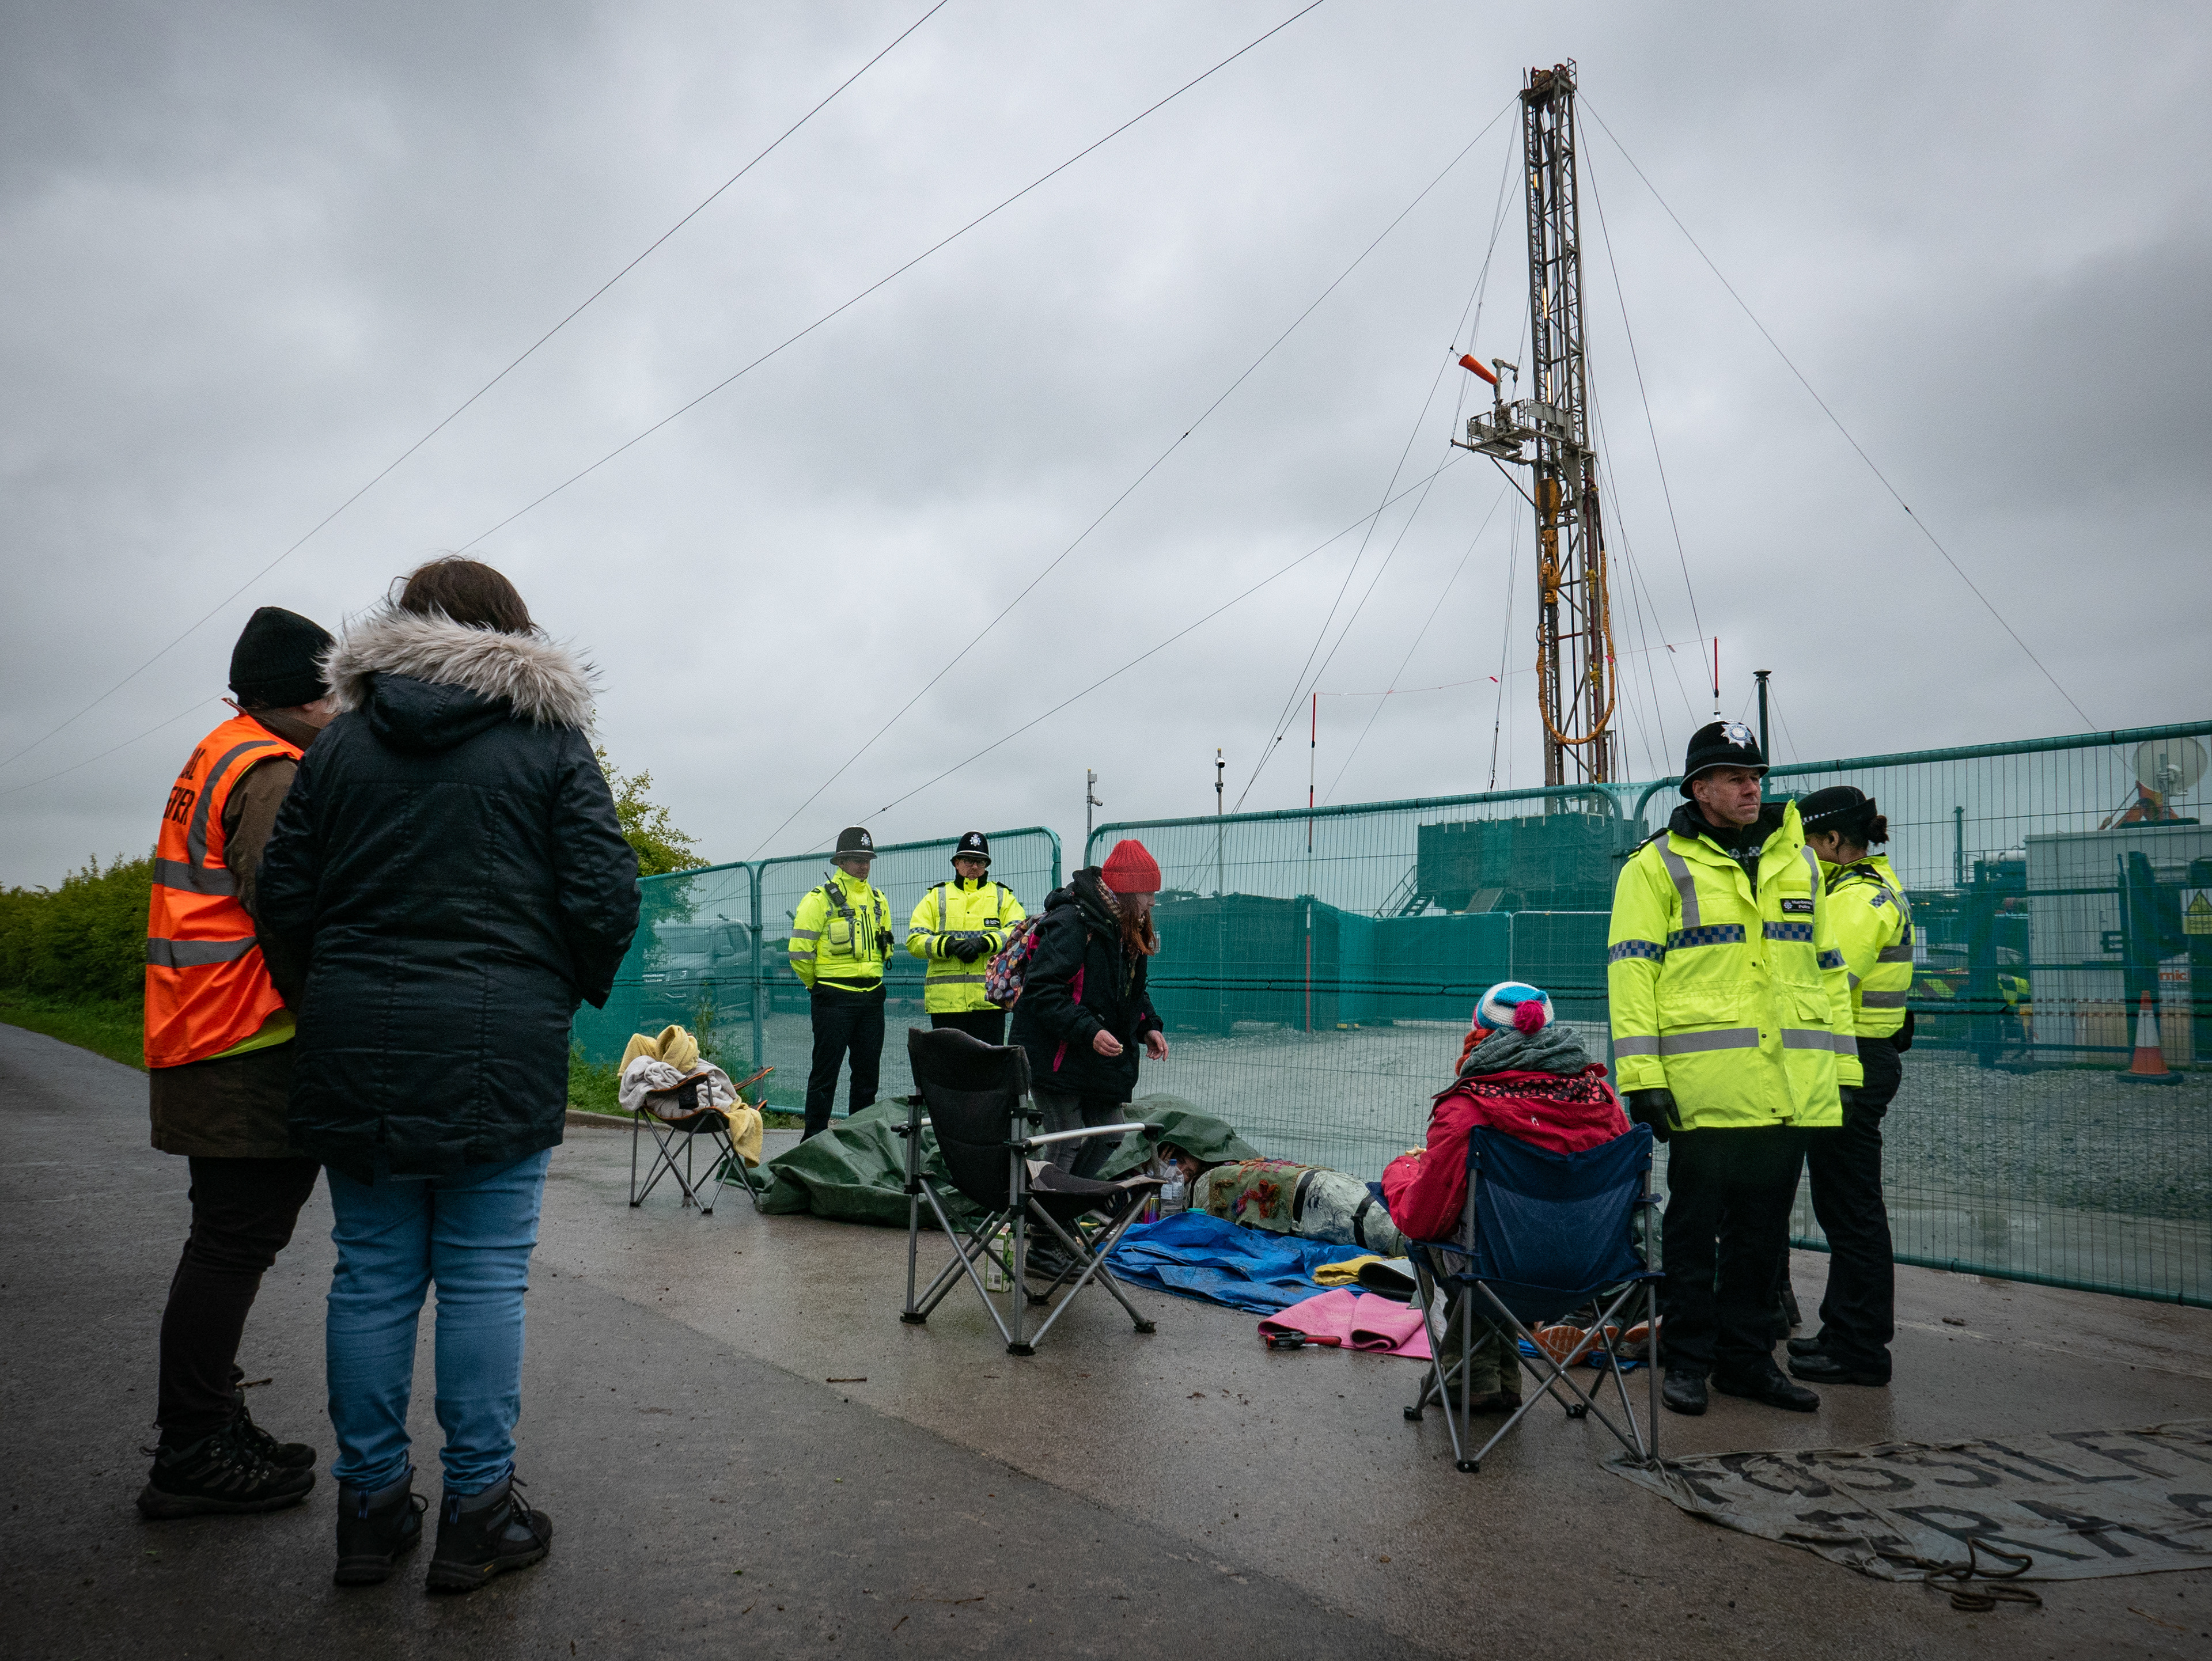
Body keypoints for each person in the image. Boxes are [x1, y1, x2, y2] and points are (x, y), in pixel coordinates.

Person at [259, 558, 639, 1590]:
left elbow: (282, 894)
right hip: (500, 1042)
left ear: (403, 625)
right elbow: (606, 896)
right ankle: (479, 1512)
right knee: (483, 1276)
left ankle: (370, 1511)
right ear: (512, 630)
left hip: (353, 1039)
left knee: (372, 1273)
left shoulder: (339, 743)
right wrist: (550, 994)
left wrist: (325, 995)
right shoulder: (550, 742)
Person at [136, 606, 338, 1522]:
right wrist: (330, 1017)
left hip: (207, 1036)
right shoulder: (271, 774)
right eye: (335, 693)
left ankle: (211, 1420)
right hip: (245, 1045)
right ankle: (192, 1449)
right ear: (303, 696)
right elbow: (287, 912)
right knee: (230, 1248)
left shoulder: (223, 749)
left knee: (223, 1243)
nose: (344, 709)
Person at [1607, 720, 1857, 1417]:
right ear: (1701, 788)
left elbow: (1828, 971)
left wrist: (1843, 1072)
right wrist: (1642, 1077)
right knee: (1693, 1233)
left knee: (1762, 1234)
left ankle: (1748, 1362)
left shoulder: (1800, 862)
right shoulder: (1653, 867)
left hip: (1785, 1090)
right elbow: (1632, 975)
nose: (1753, 788)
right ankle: (1689, 1360)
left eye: (1757, 777)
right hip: (1704, 1090)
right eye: (1737, 778)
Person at [1381, 983, 1630, 1412]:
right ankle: (1502, 1376)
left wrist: (1401, 1173)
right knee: (1498, 1234)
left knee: (1450, 1243)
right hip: (1595, 1270)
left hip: (1497, 1272)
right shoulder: (1604, 1101)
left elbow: (1425, 1219)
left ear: (1479, 1035)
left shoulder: (1469, 1110)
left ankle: (1470, 1376)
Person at [1785, 786, 1909, 1389]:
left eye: (1807, 843)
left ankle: (1860, 1345)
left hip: (1854, 1061)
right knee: (1843, 1205)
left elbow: (1828, 975)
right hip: (1858, 1054)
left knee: (1852, 1209)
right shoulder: (1858, 889)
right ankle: (1842, 1329)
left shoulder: (1858, 899)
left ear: (1833, 842)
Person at [1010, 839, 1169, 1181]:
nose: (1153, 902)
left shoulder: (1127, 928)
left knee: (1110, 1135)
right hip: (1056, 1056)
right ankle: (1042, 1220)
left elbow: (1128, 992)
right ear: (1127, 893)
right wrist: (1090, 1030)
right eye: (1147, 893)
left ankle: (1066, 1203)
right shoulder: (1072, 923)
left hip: (1097, 1061)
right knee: (1066, 1140)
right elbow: (1041, 991)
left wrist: (1148, 1026)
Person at [788, 826, 894, 1139]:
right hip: (833, 998)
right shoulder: (818, 900)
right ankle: (814, 1141)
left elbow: (884, 945)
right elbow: (798, 953)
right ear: (840, 862)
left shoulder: (879, 900)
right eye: (855, 859)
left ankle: (860, 1140)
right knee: (825, 1074)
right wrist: (817, 986)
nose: (862, 865)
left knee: (866, 1077)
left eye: (867, 859)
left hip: (873, 997)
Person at [906, 830, 1025, 1045]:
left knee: (987, 1072)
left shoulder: (1003, 896)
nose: (975, 867)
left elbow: (1018, 932)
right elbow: (915, 941)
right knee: (949, 1074)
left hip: (989, 1002)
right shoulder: (936, 897)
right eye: (969, 860)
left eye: (981, 862)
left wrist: (984, 943)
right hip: (946, 1005)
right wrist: (948, 946)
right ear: (956, 863)